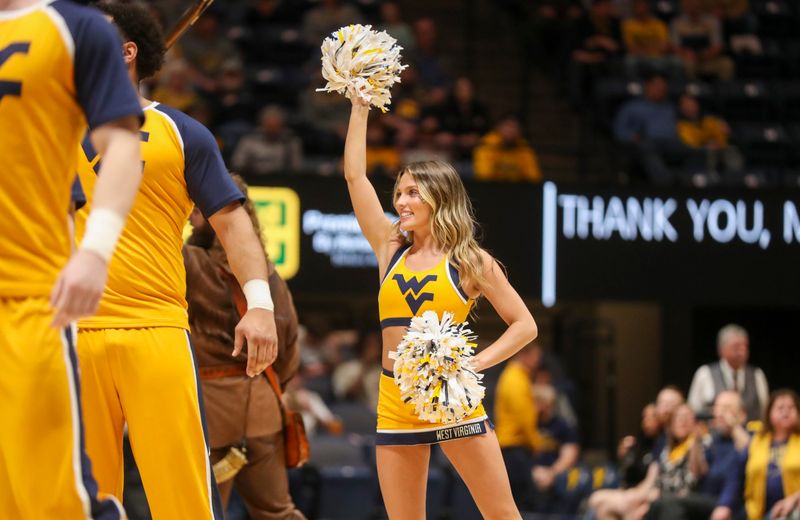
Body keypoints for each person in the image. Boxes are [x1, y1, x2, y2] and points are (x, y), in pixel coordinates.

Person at [73, 4, 278, 519]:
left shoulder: (183, 132)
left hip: (156, 329)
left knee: (182, 496)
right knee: (71, 499)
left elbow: (233, 224)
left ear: (127, 51)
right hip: (68, 333)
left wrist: (259, 305)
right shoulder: (46, 125)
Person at [343, 91, 539, 518]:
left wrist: (473, 365)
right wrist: (360, 108)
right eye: (398, 192)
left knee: (502, 514)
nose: (400, 201)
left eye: (412, 192)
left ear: (439, 197)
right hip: (394, 398)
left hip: (450, 394)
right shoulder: (389, 246)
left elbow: (525, 325)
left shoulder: (470, 261)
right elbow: (356, 179)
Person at [0, 1, 144, 517]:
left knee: (58, 500)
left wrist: (95, 250)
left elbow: (124, 148)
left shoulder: (76, 29)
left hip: (27, 297)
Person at [184, 174, 306, 520]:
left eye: (197, 207)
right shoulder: (268, 275)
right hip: (262, 407)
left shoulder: (187, 263)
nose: (192, 213)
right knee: (278, 512)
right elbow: (290, 346)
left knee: (202, 513)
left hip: (209, 408)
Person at [646, 391, 749, 520]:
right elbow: (698, 472)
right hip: (704, 499)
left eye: (727, 408)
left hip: (728, 503)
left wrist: (734, 426)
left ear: (742, 415)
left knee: (671, 504)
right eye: (718, 408)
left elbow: (748, 452)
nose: (720, 413)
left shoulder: (747, 436)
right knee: (657, 505)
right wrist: (696, 442)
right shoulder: (714, 440)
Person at [590, 404, 703, 520]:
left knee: (631, 511)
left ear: (694, 421)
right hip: (654, 493)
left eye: (686, 417)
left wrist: (696, 442)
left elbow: (694, 478)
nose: (682, 422)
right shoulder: (666, 448)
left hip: (674, 497)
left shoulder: (700, 444)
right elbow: (653, 477)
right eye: (678, 418)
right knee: (602, 506)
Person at [715, 390, 800, 520]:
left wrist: (794, 499)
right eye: (780, 408)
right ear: (769, 413)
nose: (785, 412)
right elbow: (736, 477)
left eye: (790, 407)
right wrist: (724, 505)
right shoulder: (756, 441)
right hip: (755, 512)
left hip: (793, 508)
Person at [495, 343, 546, 508]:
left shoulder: (516, 376)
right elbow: (524, 417)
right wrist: (536, 443)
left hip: (512, 448)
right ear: (524, 355)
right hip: (514, 448)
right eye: (536, 357)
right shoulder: (515, 379)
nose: (538, 362)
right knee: (525, 502)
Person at [688, 324, 769, 423]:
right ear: (722, 349)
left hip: (751, 435)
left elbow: (765, 411)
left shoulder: (757, 374)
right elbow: (693, 411)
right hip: (712, 435)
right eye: (736, 346)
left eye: (745, 346)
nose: (742, 351)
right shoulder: (705, 373)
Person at [529, 384, 581, 514]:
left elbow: (570, 454)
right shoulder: (528, 426)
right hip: (531, 474)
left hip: (556, 476)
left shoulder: (562, 427)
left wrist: (551, 473)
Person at [473, 114, 543, 182]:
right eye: (507, 126)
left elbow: (534, 177)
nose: (511, 130)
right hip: (491, 189)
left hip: (518, 190)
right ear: (498, 128)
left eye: (514, 127)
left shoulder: (524, 149)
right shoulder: (486, 146)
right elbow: (483, 175)